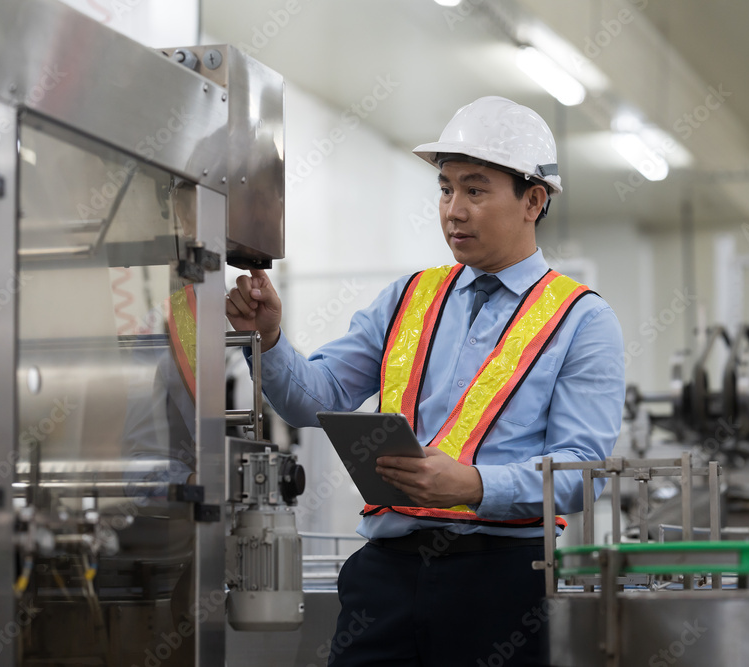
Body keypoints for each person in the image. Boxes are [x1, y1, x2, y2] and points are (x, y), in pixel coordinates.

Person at [226, 96, 624, 666]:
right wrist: (268, 340)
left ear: (534, 200)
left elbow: (583, 472)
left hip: (503, 585)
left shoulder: (582, 319)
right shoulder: (408, 297)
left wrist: (475, 486)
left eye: (476, 191)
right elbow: (314, 400)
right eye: (445, 189)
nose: (454, 211)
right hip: (384, 579)